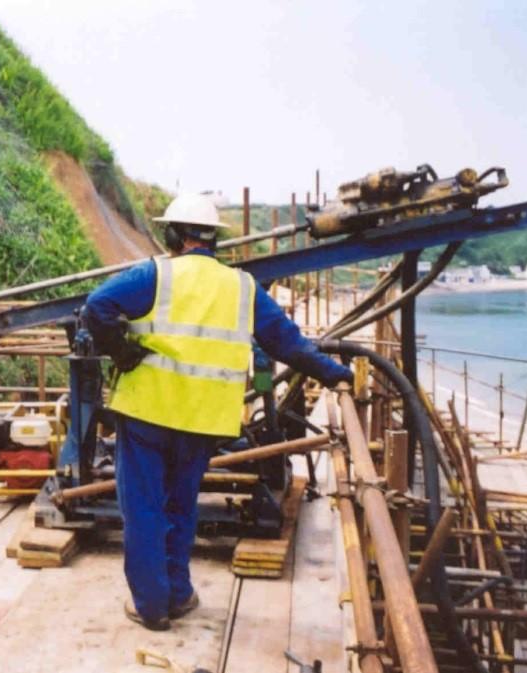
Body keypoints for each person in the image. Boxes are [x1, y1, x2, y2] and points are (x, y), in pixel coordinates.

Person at [85, 193, 352, 631]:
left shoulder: (155, 275)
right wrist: (336, 374)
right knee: (180, 506)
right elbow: (288, 343)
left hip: (147, 414)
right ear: (214, 241)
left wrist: (123, 351)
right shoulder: (243, 288)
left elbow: (98, 306)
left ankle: (153, 608)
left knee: (144, 510)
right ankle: (179, 593)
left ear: (172, 234)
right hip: (204, 422)